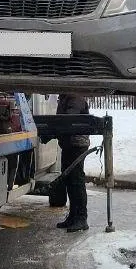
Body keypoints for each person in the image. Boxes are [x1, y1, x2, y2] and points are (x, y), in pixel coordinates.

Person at [54, 93, 90, 233]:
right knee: (68, 180)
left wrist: (52, 132)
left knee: (76, 180)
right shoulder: (65, 97)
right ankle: (73, 216)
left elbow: (68, 120)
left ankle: (81, 218)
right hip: (69, 143)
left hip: (77, 144)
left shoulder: (75, 97)